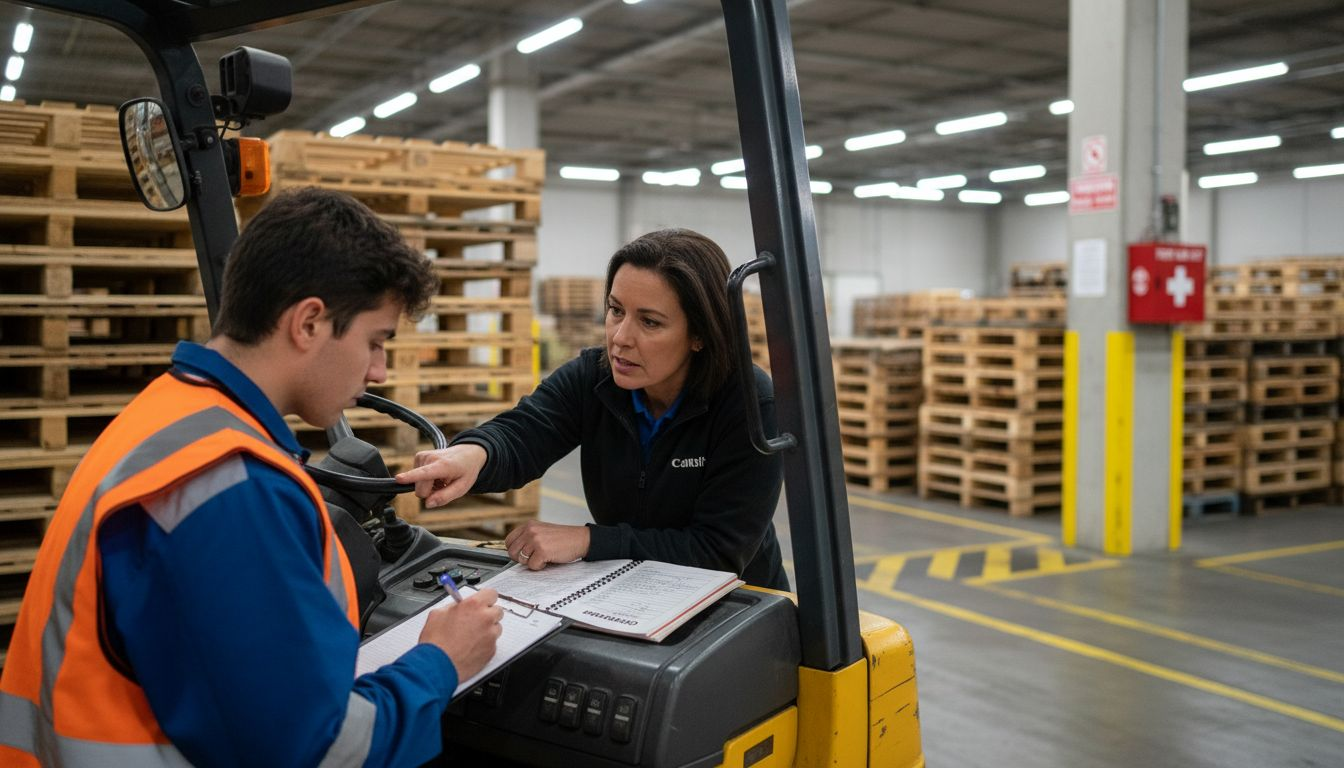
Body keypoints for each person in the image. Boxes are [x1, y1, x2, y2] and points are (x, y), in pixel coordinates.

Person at [0, 188, 504, 768]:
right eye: (375, 342)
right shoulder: (231, 488)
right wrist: (441, 661)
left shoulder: (168, 413)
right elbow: (315, 751)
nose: (378, 372)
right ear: (309, 322)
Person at [397, 228, 788, 590]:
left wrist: (588, 540)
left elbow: (717, 553)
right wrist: (474, 454)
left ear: (700, 334)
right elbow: (525, 431)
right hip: (635, 591)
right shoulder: (594, 377)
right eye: (616, 310)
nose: (620, 337)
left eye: (650, 322)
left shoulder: (749, 403)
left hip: (740, 603)